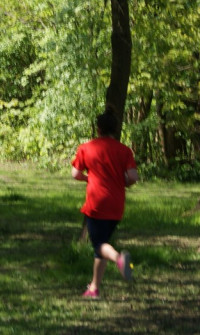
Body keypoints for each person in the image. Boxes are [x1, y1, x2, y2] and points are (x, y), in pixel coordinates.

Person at [71, 111, 139, 299]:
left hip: (96, 202)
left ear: (98, 128)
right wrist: (120, 182)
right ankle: (94, 288)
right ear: (116, 129)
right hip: (117, 203)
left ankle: (119, 259)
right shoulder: (124, 150)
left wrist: (88, 178)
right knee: (101, 246)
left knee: (99, 245)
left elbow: (75, 174)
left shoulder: (86, 148)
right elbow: (133, 177)